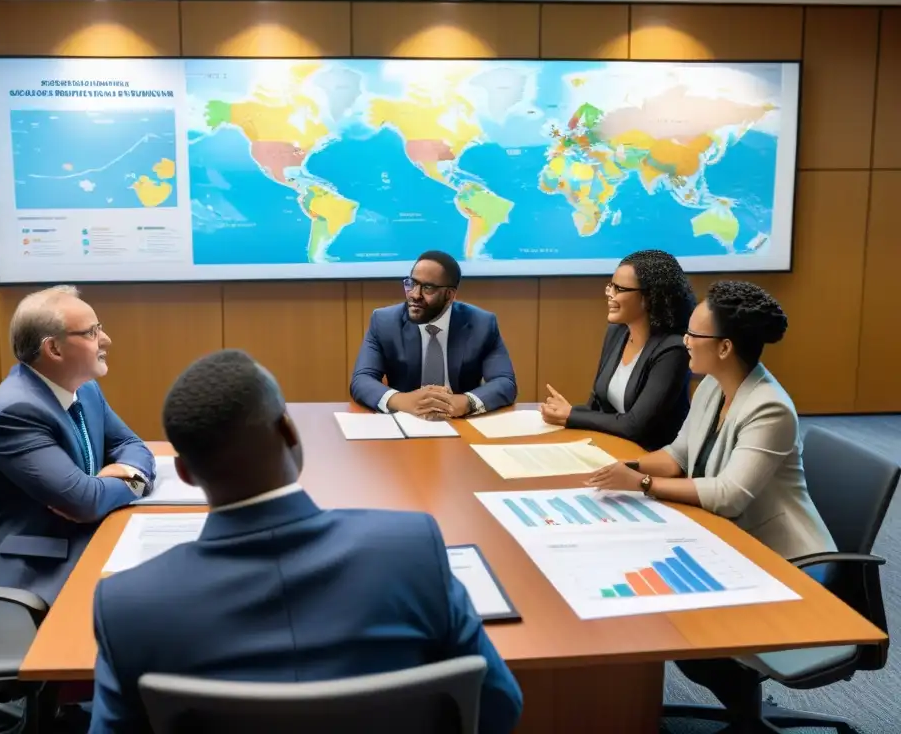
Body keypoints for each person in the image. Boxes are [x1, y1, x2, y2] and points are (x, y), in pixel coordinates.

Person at [89, 349, 523, 734]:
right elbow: (499, 707)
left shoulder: (127, 606)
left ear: (183, 472)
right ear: (291, 433)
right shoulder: (412, 548)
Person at [583, 281, 836, 719]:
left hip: (784, 563)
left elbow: (729, 495)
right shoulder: (711, 388)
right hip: (729, 542)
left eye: (692, 336)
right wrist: (627, 470)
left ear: (723, 347)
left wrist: (640, 485)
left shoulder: (769, 408)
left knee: (683, 627)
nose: (683, 343)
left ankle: (743, 713)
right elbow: (679, 456)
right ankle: (739, 705)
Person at [0, 286, 155, 605]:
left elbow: (133, 445)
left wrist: (122, 479)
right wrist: (124, 483)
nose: (106, 340)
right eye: (93, 332)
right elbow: (84, 501)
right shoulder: (16, 413)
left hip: (79, 535)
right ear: (54, 348)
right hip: (33, 564)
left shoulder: (86, 389)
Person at [540, 249, 695, 450]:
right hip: (611, 447)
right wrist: (568, 413)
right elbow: (596, 404)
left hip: (651, 459)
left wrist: (571, 415)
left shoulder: (674, 349)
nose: (609, 294)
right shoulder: (617, 332)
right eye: (610, 286)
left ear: (649, 297)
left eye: (619, 289)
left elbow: (635, 426)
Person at [350, 250, 517, 418]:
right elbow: (362, 380)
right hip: (406, 419)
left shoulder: (482, 324)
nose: (415, 294)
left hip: (460, 421)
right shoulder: (385, 321)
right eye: (411, 283)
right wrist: (402, 400)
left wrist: (467, 402)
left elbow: (505, 382)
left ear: (449, 295)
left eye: (427, 288)